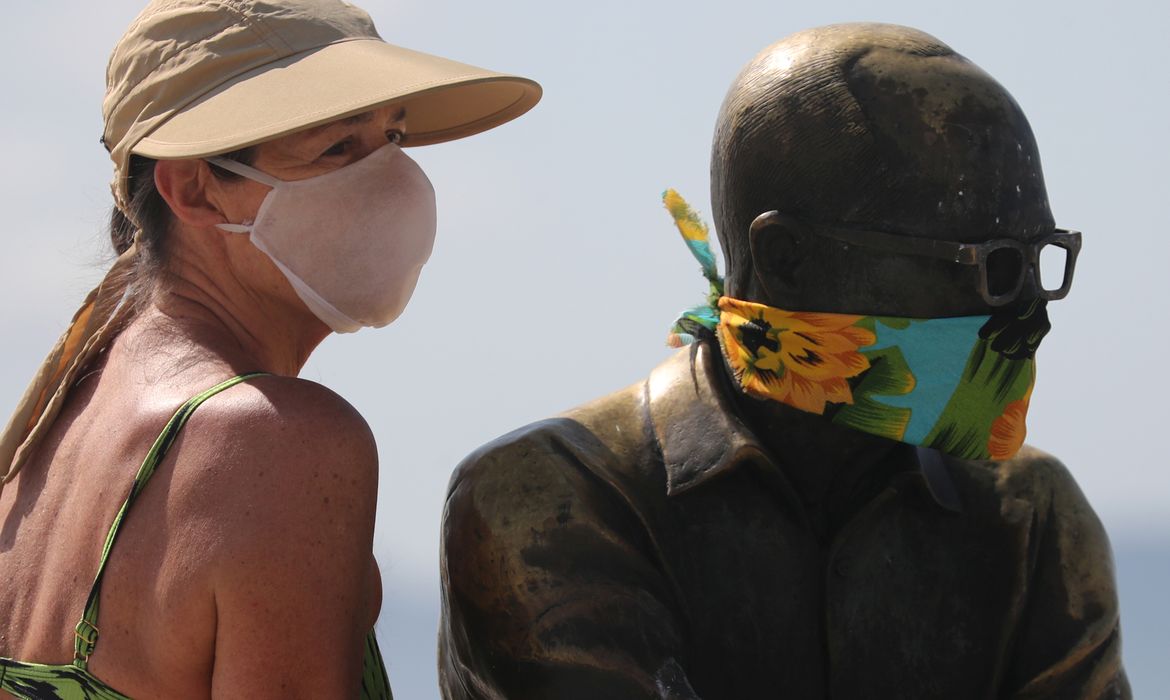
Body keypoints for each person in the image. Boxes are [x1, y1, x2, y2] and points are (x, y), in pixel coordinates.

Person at [438, 23, 1128, 699]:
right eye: (992, 267)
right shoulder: (552, 500)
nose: (1030, 314)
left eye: (1041, 261)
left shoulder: (1031, 516)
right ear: (789, 261)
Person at [0, 0, 539, 697]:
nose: (395, 182)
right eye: (338, 148)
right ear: (194, 189)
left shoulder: (56, 433)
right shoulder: (276, 442)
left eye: (394, 138)